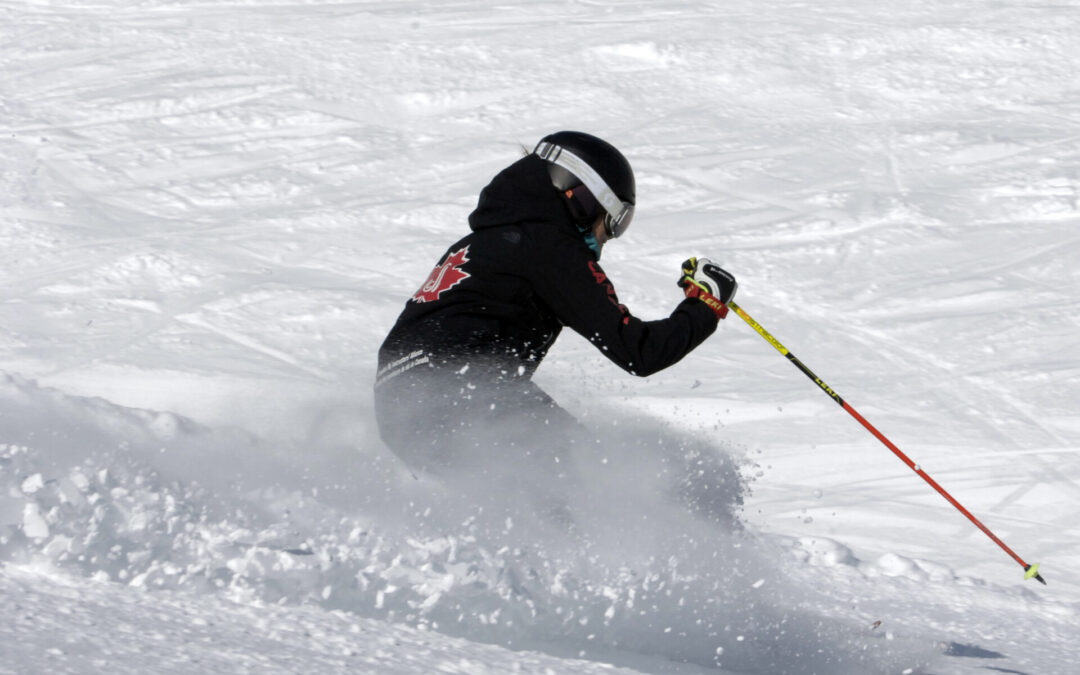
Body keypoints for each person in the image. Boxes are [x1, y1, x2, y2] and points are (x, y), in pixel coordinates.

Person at [374, 131, 737, 474]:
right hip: (464, 392)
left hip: (401, 406)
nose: (608, 237)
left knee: (524, 506)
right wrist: (706, 303)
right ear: (582, 197)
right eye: (614, 221)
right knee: (589, 474)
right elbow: (640, 353)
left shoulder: (480, 243)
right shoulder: (551, 247)